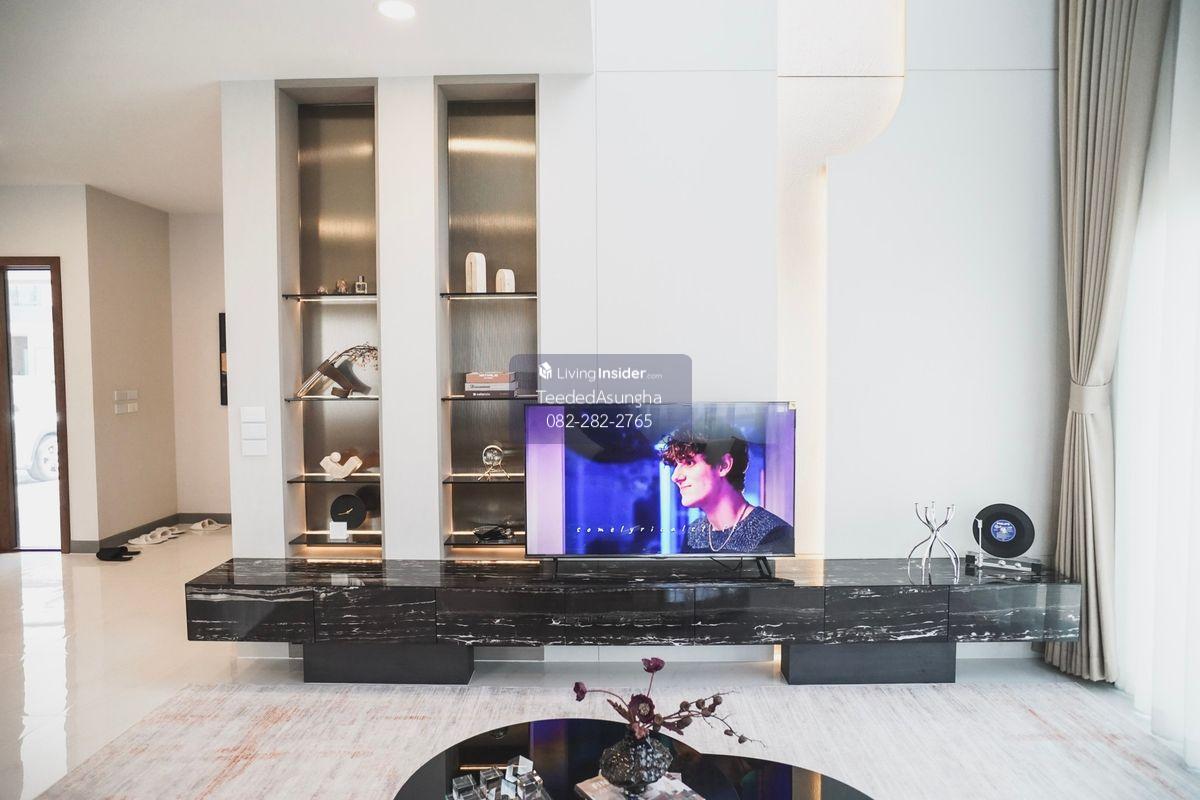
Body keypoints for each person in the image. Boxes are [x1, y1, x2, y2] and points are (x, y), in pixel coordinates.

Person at [657, 427, 792, 554]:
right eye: (676, 465)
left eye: (689, 462)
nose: (675, 477)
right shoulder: (693, 533)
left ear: (723, 465)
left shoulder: (775, 534)